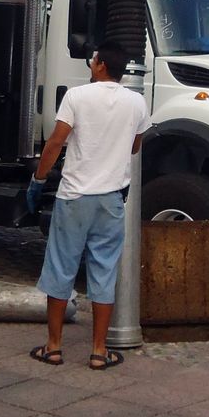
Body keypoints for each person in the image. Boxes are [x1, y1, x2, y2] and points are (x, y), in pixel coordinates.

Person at [27, 42, 149, 370]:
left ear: (100, 66)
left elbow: (55, 143)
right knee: (104, 272)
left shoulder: (77, 97)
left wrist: (38, 180)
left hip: (74, 197)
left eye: (94, 60)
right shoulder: (137, 102)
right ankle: (98, 351)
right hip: (111, 201)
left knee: (60, 270)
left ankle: (53, 347)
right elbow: (135, 146)